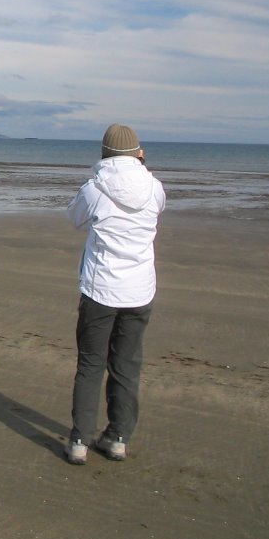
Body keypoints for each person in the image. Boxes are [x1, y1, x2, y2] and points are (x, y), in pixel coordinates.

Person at [64, 124, 166, 465]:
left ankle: (81, 439)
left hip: (101, 289)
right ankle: (117, 437)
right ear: (138, 153)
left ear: (105, 154)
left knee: (92, 364)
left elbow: (74, 218)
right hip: (138, 290)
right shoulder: (154, 188)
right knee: (126, 364)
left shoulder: (94, 189)